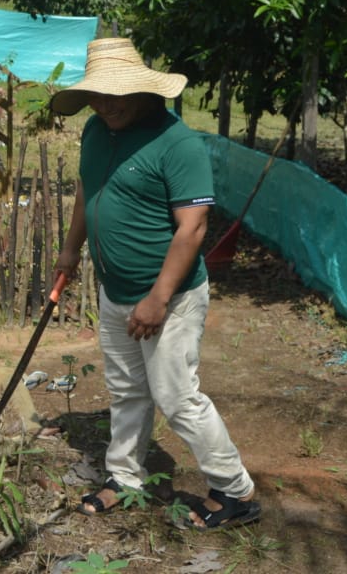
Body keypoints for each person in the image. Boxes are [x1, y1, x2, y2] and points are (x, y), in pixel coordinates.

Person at [50, 37, 260, 529]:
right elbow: (87, 188)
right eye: (98, 94)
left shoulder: (177, 143)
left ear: (145, 91)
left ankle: (236, 491)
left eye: (117, 93)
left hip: (171, 296)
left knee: (177, 397)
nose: (107, 103)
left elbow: (193, 228)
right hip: (115, 290)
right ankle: (125, 476)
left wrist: (159, 297)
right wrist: (70, 247)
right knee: (126, 390)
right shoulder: (95, 131)